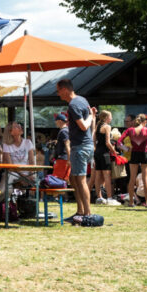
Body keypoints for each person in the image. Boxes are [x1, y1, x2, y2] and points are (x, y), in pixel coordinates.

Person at [56, 78, 95, 221]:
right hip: (85, 145)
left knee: (81, 179)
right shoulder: (83, 100)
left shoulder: (73, 105)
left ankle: (87, 214)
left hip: (80, 146)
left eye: (58, 91)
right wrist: (91, 117)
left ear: (65, 89)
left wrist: (91, 116)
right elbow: (90, 124)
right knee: (73, 178)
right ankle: (80, 211)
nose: (58, 94)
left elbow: (84, 126)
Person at [117, 114, 147, 208]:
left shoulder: (129, 130)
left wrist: (126, 149)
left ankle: (131, 202)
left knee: (132, 178)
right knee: (145, 179)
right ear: (144, 122)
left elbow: (119, 143)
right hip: (144, 154)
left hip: (134, 154)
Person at [91, 110, 119, 206]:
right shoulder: (107, 126)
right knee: (107, 176)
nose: (111, 118)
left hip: (97, 152)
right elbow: (108, 142)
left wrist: (95, 149)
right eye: (110, 117)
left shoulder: (98, 126)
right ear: (106, 117)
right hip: (104, 153)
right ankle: (110, 198)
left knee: (98, 175)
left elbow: (94, 140)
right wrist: (114, 151)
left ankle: (99, 198)